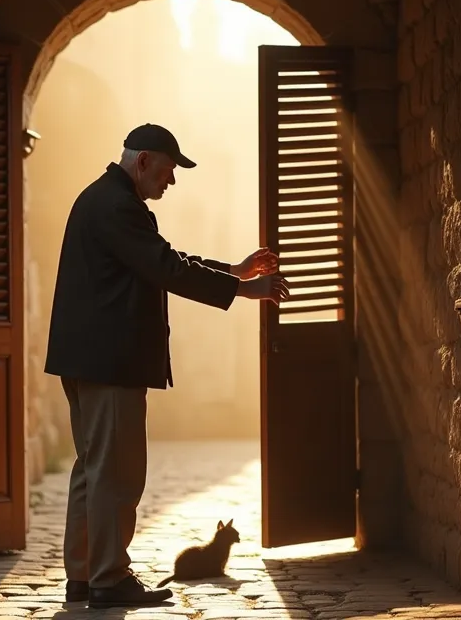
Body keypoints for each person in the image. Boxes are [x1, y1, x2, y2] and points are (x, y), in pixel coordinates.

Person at [44, 123, 290, 608]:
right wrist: (245, 290)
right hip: (111, 363)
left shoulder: (103, 200)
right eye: (168, 170)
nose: (171, 181)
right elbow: (166, 268)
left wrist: (232, 270)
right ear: (143, 162)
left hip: (89, 360)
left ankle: (84, 575)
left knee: (93, 469)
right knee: (117, 473)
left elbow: (162, 259)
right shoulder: (118, 206)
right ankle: (109, 579)